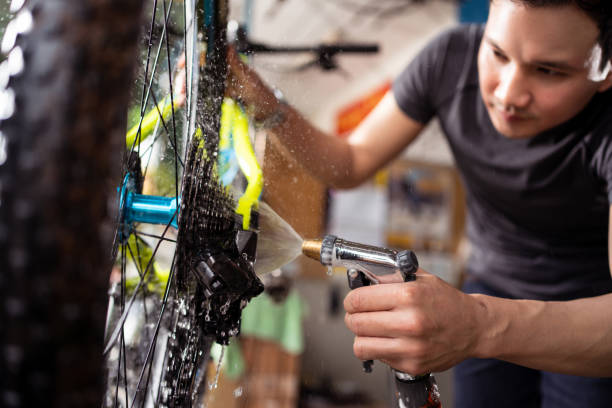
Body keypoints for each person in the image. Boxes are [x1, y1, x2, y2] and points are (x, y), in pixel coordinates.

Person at [226, 0, 612, 406]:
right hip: (488, 287)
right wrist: (258, 98)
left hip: (587, 320)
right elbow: (350, 162)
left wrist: (478, 326)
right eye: (497, 52)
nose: (509, 93)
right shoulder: (450, 59)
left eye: (548, 71)